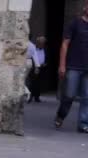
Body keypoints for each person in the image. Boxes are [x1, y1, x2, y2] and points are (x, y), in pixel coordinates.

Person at [55, 1, 88, 133]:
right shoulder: (75, 23)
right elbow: (65, 44)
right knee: (69, 95)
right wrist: (62, 65)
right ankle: (61, 115)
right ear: (85, 8)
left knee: (87, 97)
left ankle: (83, 124)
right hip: (74, 66)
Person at [26, 37, 47, 103]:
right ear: (37, 43)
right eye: (40, 43)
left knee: (39, 83)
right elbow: (32, 57)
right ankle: (30, 96)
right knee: (32, 82)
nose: (42, 45)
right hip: (34, 67)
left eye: (43, 43)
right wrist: (35, 66)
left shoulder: (46, 49)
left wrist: (46, 63)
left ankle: (37, 97)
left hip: (42, 68)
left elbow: (47, 57)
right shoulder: (32, 47)